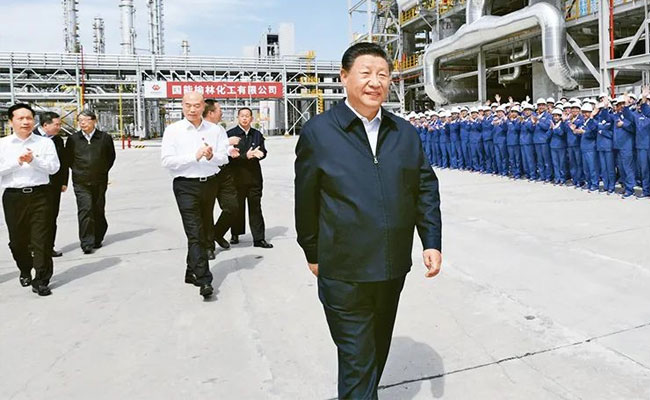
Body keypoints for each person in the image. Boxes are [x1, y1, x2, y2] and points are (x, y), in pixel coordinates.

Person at [295, 42, 442, 400]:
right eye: (365, 73)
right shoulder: (319, 132)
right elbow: (306, 199)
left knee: (375, 352)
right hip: (344, 270)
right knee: (358, 360)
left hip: (391, 268)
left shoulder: (404, 133)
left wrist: (431, 241)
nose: (375, 82)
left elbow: (424, 187)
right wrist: (312, 251)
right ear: (344, 77)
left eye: (382, 75)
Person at [161, 92, 237, 299]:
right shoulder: (173, 130)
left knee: (203, 230)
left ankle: (190, 270)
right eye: (188, 105)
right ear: (182, 106)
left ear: (204, 106)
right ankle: (204, 279)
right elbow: (167, 161)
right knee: (195, 232)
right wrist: (193, 157)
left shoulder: (215, 130)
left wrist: (212, 156)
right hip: (185, 186)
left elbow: (224, 158)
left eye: (196, 105)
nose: (192, 109)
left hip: (210, 184)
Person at [0, 104, 60, 296]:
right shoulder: (3, 144)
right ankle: (25, 269)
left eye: (29, 118)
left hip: (40, 195)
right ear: (11, 122)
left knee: (41, 239)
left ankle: (41, 280)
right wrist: (18, 162)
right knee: (17, 241)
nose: (26, 122)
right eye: (21, 118)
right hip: (14, 197)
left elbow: (54, 168)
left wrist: (33, 160)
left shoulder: (44, 143)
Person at [65, 110, 116, 254]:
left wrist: (102, 170)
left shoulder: (104, 138)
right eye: (80, 120)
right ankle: (87, 242)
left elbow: (110, 157)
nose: (83, 123)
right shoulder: (73, 139)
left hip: (99, 181)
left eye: (86, 119)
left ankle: (98, 238)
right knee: (85, 210)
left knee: (98, 209)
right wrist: (79, 171)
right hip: (80, 181)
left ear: (94, 121)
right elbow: (69, 158)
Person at [226, 108, 273, 248]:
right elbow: (227, 156)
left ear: (252, 118)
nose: (245, 118)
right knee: (237, 207)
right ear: (238, 118)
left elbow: (263, 150)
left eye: (247, 116)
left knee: (256, 208)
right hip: (236, 176)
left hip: (254, 177)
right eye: (242, 116)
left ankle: (259, 239)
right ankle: (235, 234)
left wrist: (261, 154)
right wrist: (245, 156)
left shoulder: (257, 134)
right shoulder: (231, 135)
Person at [203, 100, 241, 252]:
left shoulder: (219, 128)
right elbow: (208, 149)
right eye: (219, 109)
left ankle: (217, 234)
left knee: (232, 207)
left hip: (224, 172)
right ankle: (208, 247)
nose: (222, 112)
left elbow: (224, 148)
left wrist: (230, 149)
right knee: (207, 212)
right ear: (211, 113)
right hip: (209, 172)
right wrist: (227, 142)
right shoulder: (201, 129)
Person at [35, 111, 68, 257]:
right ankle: (33, 247)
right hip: (35, 185)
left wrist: (64, 182)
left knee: (51, 216)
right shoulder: (31, 137)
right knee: (35, 218)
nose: (59, 127)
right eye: (57, 124)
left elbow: (63, 162)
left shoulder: (58, 140)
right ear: (45, 125)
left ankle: (48, 247)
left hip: (53, 185)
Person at [611, 96, 637, 198]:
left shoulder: (630, 115)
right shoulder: (615, 116)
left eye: (623, 104)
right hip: (618, 146)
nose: (621, 106)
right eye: (619, 104)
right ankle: (626, 187)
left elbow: (633, 128)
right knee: (621, 168)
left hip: (627, 146)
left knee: (628, 168)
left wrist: (623, 125)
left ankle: (630, 189)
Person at [595, 100, 615, 194]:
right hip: (600, 146)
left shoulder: (611, 119)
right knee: (603, 168)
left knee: (610, 168)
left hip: (608, 147)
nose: (602, 111)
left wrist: (603, 132)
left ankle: (611, 186)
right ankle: (606, 186)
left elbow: (612, 134)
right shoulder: (598, 120)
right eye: (601, 109)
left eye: (604, 109)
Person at [532, 98, 553, 182]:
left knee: (546, 160)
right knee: (540, 160)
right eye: (539, 105)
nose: (541, 107)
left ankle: (548, 176)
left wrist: (538, 122)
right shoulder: (535, 115)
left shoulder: (548, 116)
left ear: (546, 106)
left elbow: (547, 127)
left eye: (543, 105)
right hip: (536, 140)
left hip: (544, 141)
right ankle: (542, 176)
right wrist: (533, 123)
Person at [550, 108, 568, 185]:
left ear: (560, 116)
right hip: (553, 146)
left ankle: (562, 178)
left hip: (561, 146)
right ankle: (557, 178)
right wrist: (550, 128)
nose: (555, 117)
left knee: (562, 163)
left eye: (557, 116)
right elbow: (548, 135)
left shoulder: (562, 124)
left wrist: (555, 128)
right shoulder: (552, 124)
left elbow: (561, 133)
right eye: (554, 116)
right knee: (555, 163)